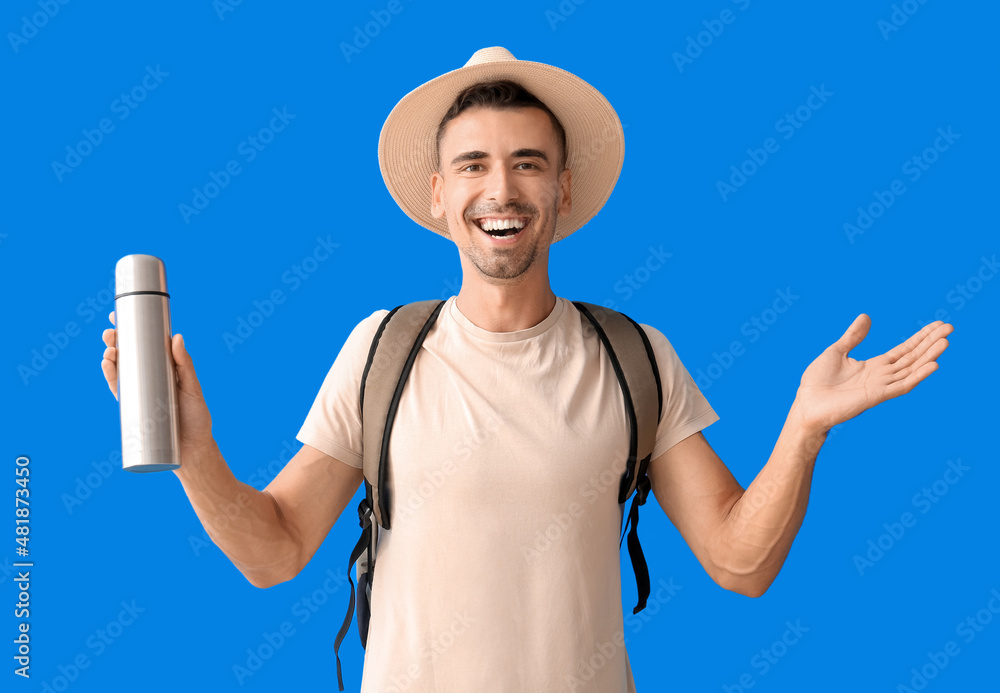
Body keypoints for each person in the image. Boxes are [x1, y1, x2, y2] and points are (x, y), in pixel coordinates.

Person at [100, 46, 953, 692]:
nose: (499, 189)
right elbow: (275, 551)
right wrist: (193, 451)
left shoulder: (636, 357)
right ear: (439, 194)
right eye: (473, 164)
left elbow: (742, 563)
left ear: (563, 192)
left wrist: (803, 429)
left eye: (528, 164)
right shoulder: (380, 351)